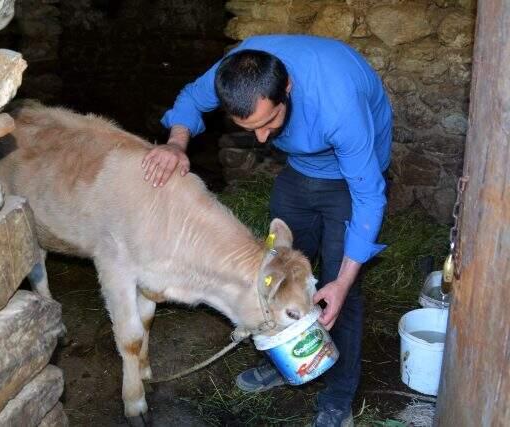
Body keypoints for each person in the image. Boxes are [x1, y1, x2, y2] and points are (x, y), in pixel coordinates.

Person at [141, 34, 392, 427]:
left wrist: (342, 282)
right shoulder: (237, 70)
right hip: (300, 170)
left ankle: (339, 394)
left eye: (269, 122)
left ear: (287, 88)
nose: (261, 138)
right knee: (277, 271)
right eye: (248, 127)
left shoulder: (337, 104)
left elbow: (369, 196)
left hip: (349, 176)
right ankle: (286, 359)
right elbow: (191, 97)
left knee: (336, 288)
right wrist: (176, 144)